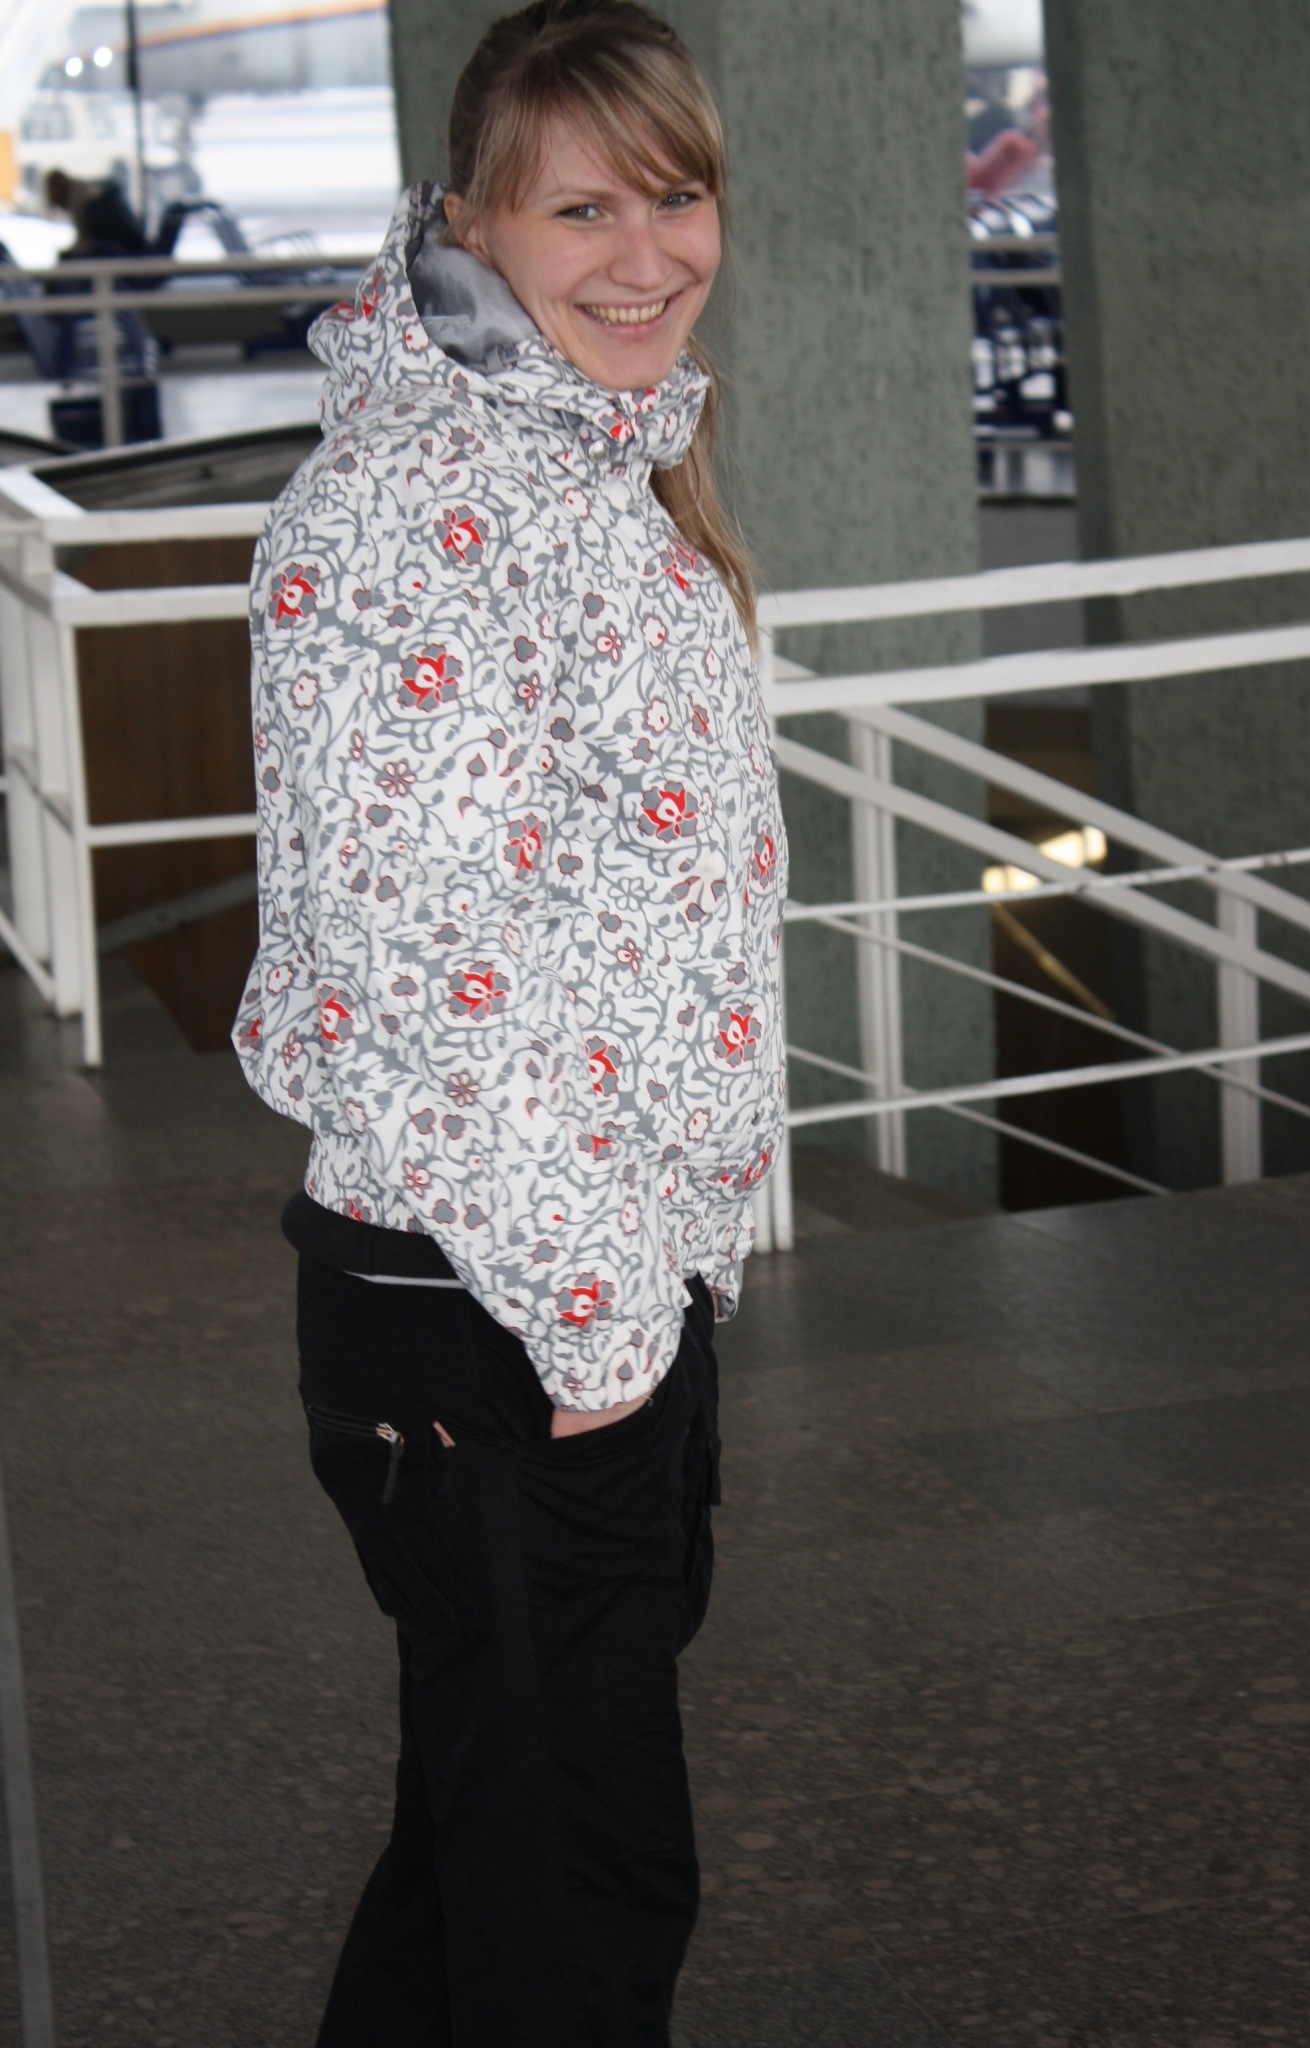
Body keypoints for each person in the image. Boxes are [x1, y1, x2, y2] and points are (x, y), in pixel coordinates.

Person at [233, 3, 787, 2041]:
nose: (647, 255)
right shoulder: (412, 509)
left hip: (574, 1287)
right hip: (504, 1302)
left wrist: (659, 1278)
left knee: (490, 1855)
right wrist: (602, 1325)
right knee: (579, 1898)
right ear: (469, 220)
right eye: (582, 209)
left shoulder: (582, 468)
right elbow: (429, 982)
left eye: (677, 196)